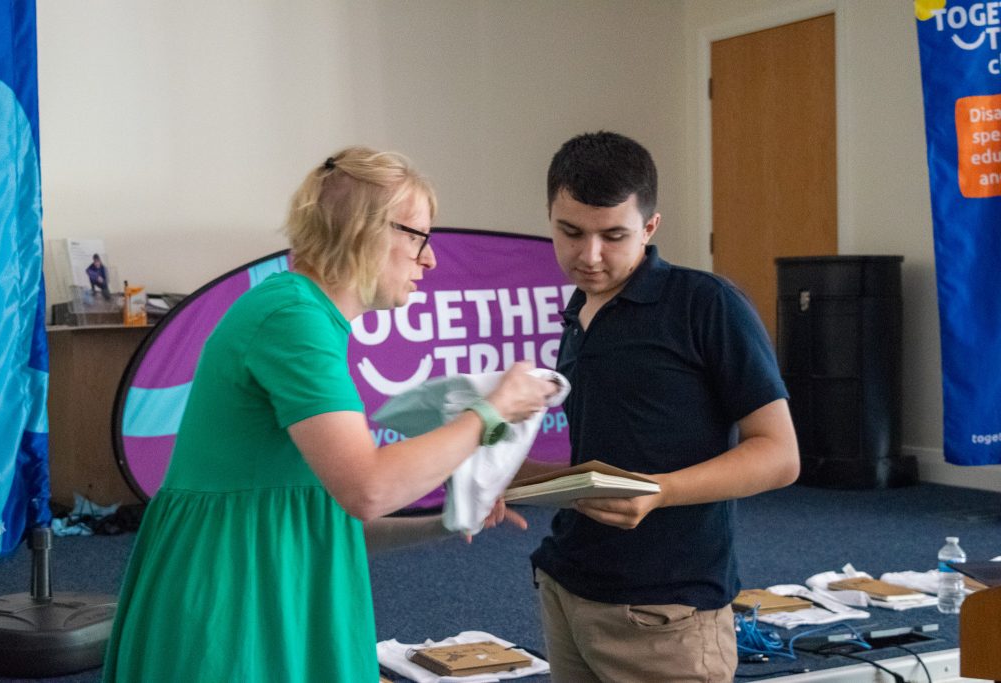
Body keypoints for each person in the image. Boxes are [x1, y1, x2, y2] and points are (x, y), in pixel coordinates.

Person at [102, 146, 556, 682]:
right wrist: (495, 408)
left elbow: (331, 516)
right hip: (235, 597)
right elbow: (368, 488)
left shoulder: (301, 313)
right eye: (418, 236)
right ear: (364, 231)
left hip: (262, 581)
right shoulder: (293, 319)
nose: (429, 258)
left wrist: (446, 522)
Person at [519, 131, 800, 682]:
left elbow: (779, 455)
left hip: (667, 611)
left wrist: (660, 492)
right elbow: (603, 465)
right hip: (568, 586)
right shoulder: (578, 312)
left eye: (614, 235)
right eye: (570, 232)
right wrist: (512, 480)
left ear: (650, 228)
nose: (589, 255)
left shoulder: (707, 303)